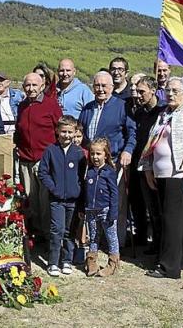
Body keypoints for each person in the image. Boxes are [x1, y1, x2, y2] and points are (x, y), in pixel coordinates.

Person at [139, 76, 183, 279]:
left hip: (177, 174)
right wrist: (147, 168)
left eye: (175, 91)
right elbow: (151, 143)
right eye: (168, 90)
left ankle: (168, 266)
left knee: (172, 219)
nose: (170, 94)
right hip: (161, 174)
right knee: (179, 219)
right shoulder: (164, 114)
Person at [78, 71, 136, 248]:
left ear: (111, 87)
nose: (100, 89)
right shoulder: (87, 108)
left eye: (104, 86)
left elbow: (131, 132)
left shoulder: (121, 106)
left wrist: (128, 151)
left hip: (114, 162)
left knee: (114, 201)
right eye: (97, 85)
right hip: (92, 162)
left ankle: (115, 243)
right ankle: (94, 240)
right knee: (93, 199)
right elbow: (82, 134)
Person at [14, 73, 63, 245]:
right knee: (31, 199)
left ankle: (49, 237)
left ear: (42, 86)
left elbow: (60, 130)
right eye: (27, 85)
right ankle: (36, 235)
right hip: (26, 160)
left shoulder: (51, 105)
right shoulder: (22, 106)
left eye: (35, 85)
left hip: (45, 160)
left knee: (46, 200)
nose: (31, 89)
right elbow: (18, 131)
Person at [38, 115, 87, 277]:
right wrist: (54, 189)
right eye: (63, 131)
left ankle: (67, 260)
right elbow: (43, 173)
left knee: (69, 232)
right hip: (56, 200)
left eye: (70, 132)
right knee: (57, 231)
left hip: (73, 200)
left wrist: (79, 194)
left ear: (75, 133)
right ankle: (53, 262)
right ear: (57, 131)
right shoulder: (50, 151)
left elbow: (82, 177)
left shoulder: (79, 153)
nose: (66, 135)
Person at [131, 76, 165, 256]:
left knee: (157, 207)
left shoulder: (163, 112)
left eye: (142, 91)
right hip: (141, 164)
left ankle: (160, 243)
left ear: (153, 90)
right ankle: (147, 239)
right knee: (145, 205)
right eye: (137, 91)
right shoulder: (140, 112)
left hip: (156, 165)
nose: (138, 95)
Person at [83, 138, 120, 277]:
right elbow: (85, 191)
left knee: (111, 237)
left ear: (106, 154)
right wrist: (83, 208)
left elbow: (114, 193)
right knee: (93, 237)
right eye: (92, 153)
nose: (95, 157)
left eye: (98, 154)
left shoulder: (109, 171)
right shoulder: (90, 171)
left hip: (106, 210)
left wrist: (113, 212)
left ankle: (113, 264)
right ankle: (92, 262)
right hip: (91, 210)